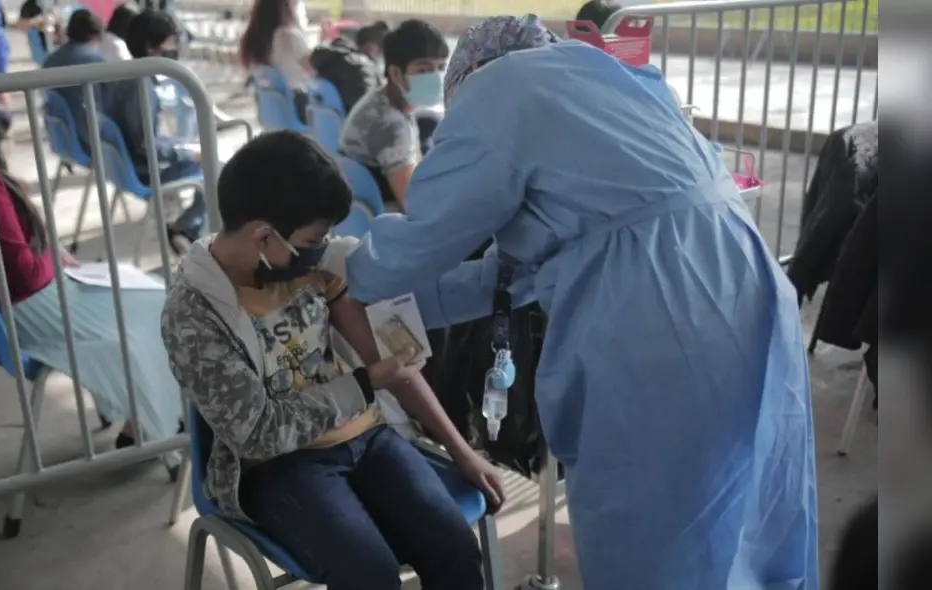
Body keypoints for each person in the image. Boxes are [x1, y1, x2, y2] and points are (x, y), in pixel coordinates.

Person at [345, 15, 818, 590]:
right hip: (745, 280)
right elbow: (515, 273)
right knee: (757, 509)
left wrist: (342, 273)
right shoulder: (612, 78)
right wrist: (395, 308)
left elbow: (424, 237)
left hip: (659, 315)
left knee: (656, 525)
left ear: (463, 79)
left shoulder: (495, 92)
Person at [161, 131, 505, 590]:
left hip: (369, 438)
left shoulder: (311, 267)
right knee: (369, 575)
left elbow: (390, 364)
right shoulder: (193, 315)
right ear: (265, 236)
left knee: (456, 550)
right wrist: (364, 384)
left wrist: (463, 453)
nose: (325, 247)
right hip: (279, 465)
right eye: (315, 238)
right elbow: (260, 434)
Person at [0, 105, 183, 449]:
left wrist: (49, 252)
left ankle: (147, 419)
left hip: (4, 311)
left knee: (145, 296)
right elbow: (22, 271)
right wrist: (52, 258)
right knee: (157, 303)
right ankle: (155, 427)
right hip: (29, 307)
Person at [107, 9, 204, 252]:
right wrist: (186, 150)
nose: (176, 47)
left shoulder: (127, 76)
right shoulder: (141, 86)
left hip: (129, 167)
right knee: (217, 166)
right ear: (152, 47)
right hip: (145, 173)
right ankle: (188, 228)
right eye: (171, 40)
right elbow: (146, 145)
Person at [338, 19, 448, 212]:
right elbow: (415, 207)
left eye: (440, 68)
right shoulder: (392, 126)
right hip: (388, 222)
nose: (436, 78)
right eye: (424, 70)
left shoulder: (379, 100)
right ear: (396, 73)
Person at [42, 9, 108, 153]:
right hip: (91, 140)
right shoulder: (97, 63)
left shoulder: (49, 61)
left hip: (61, 139)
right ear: (96, 35)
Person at [240, 0, 314, 123]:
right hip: (296, 107)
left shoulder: (253, 39)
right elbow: (314, 71)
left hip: (272, 109)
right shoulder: (291, 36)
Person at [308, 20, 387, 114]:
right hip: (352, 126)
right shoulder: (362, 69)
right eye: (382, 54)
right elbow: (366, 110)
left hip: (326, 126)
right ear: (371, 47)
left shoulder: (333, 59)